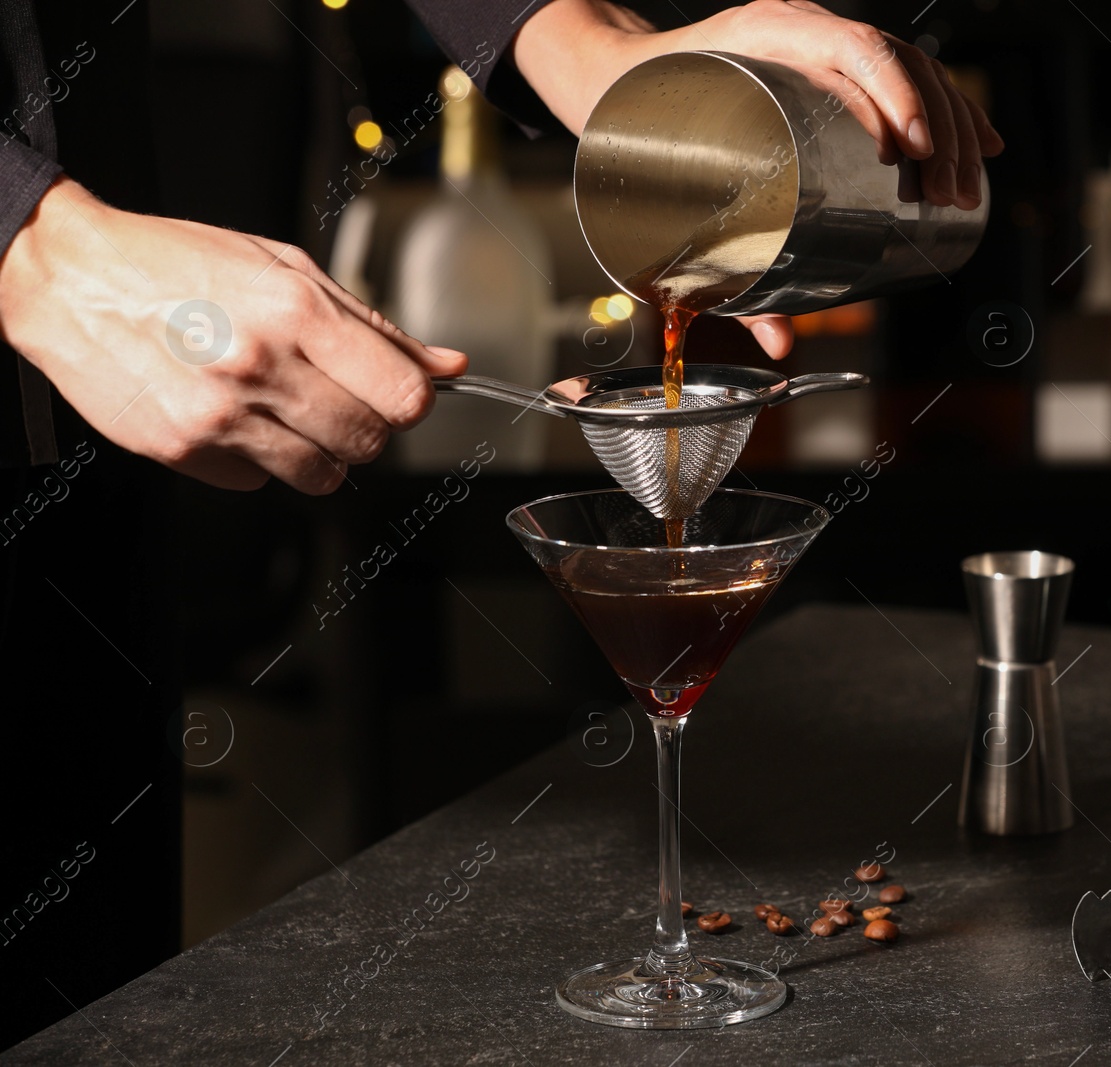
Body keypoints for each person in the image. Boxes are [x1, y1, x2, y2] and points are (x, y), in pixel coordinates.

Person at [0, 0, 1001, 1047]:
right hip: (81, 328)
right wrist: (31, 242)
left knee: (86, 1004)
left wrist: (574, 36)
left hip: (99, 478)